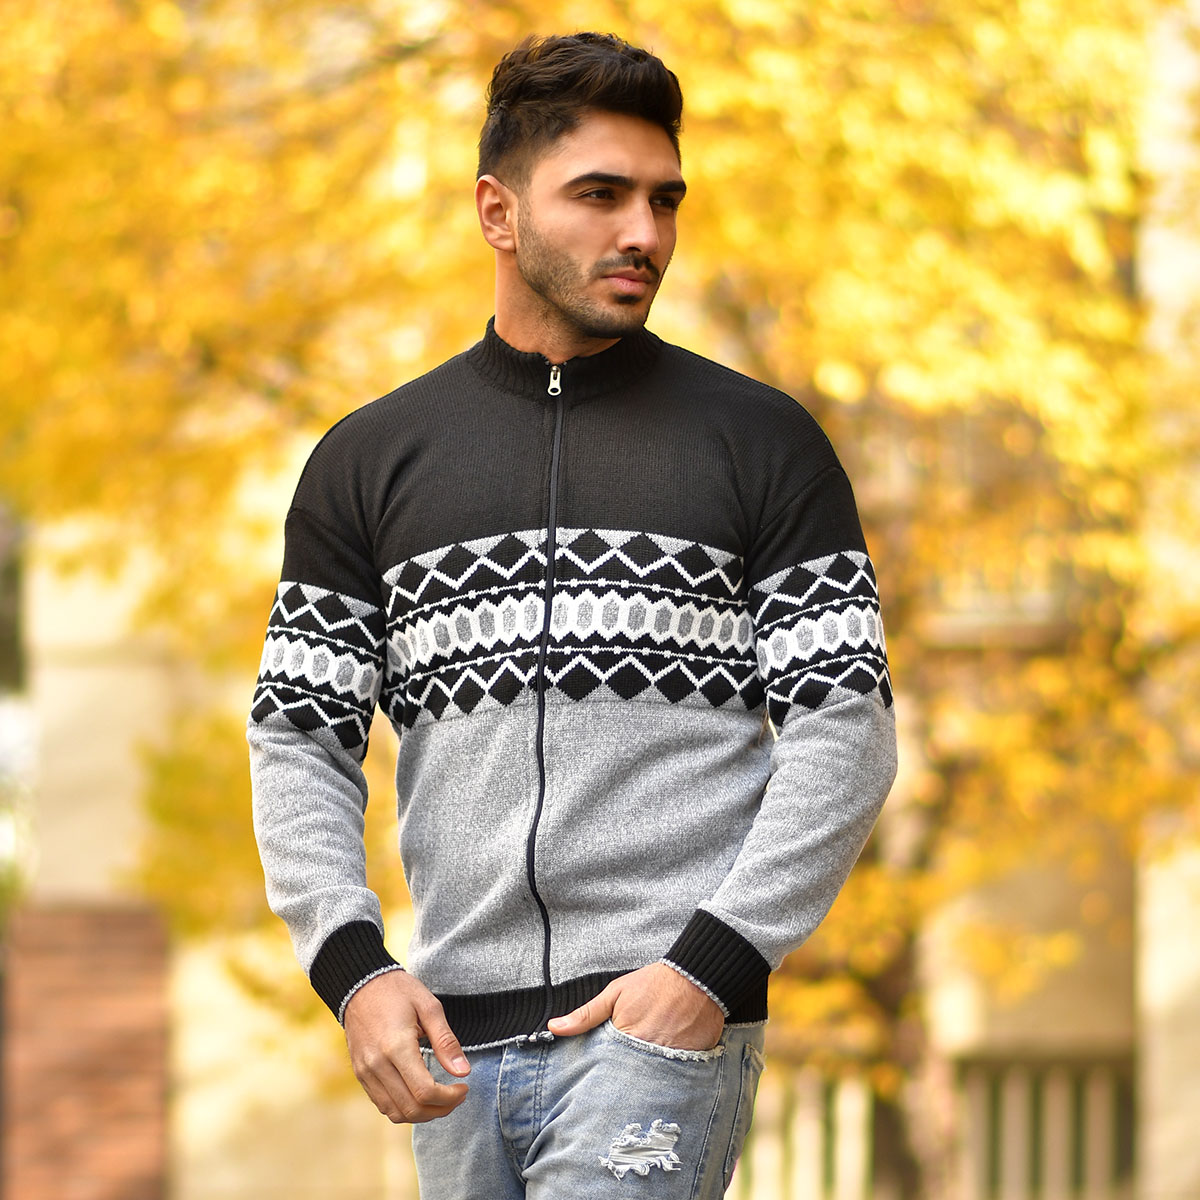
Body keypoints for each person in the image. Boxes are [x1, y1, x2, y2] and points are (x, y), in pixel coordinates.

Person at [248, 31, 896, 1199]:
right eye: (600, 195)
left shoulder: (761, 444)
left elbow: (846, 731)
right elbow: (300, 738)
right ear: (497, 213)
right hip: (456, 1043)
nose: (643, 231)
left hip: (657, 1028)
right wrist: (353, 972)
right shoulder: (370, 462)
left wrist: (710, 968)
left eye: (663, 199)